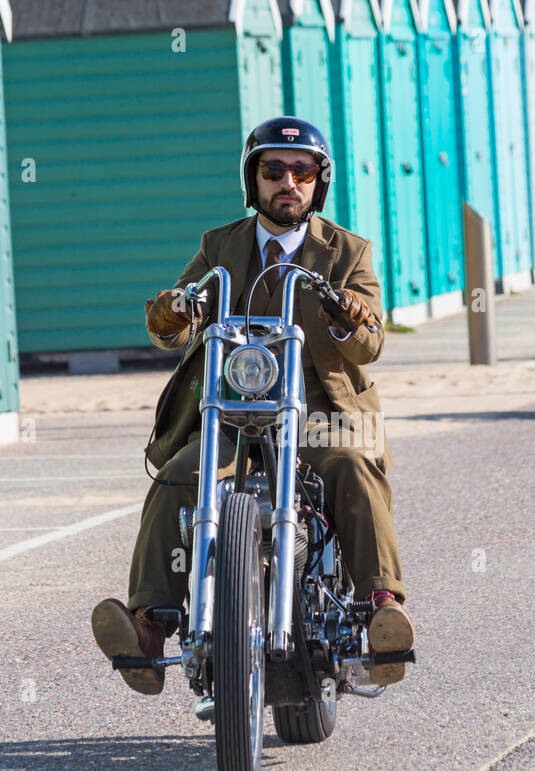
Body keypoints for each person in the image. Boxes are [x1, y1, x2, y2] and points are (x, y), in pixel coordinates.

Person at [91, 116, 415, 694]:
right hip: (233, 417)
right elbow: (173, 320)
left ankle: (379, 612)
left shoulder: (346, 252)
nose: (288, 182)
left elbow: (370, 342)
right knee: (177, 479)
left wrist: (349, 314)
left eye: (302, 171)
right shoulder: (221, 246)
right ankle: (149, 627)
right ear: (253, 179)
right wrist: (173, 308)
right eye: (274, 170)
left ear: (319, 182)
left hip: (318, 415)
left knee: (352, 466)